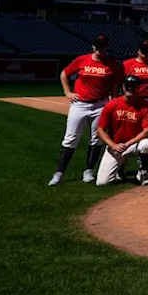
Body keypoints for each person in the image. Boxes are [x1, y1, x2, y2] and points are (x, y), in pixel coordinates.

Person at [49, 35, 119, 186]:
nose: (100, 50)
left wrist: (112, 100)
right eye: (98, 47)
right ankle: (59, 172)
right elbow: (64, 74)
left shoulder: (111, 64)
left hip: (100, 104)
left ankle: (88, 171)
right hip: (80, 104)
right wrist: (67, 92)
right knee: (71, 138)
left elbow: (114, 83)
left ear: (107, 47)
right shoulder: (82, 60)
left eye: (103, 47)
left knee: (96, 138)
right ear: (93, 47)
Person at [94, 76, 148, 186]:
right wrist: (112, 145)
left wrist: (128, 143)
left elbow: (147, 131)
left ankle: (143, 171)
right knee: (102, 182)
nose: (130, 89)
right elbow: (100, 130)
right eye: (127, 86)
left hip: (133, 144)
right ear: (123, 87)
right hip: (116, 146)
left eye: (133, 86)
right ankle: (121, 168)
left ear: (138, 88)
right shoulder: (112, 104)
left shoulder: (145, 106)